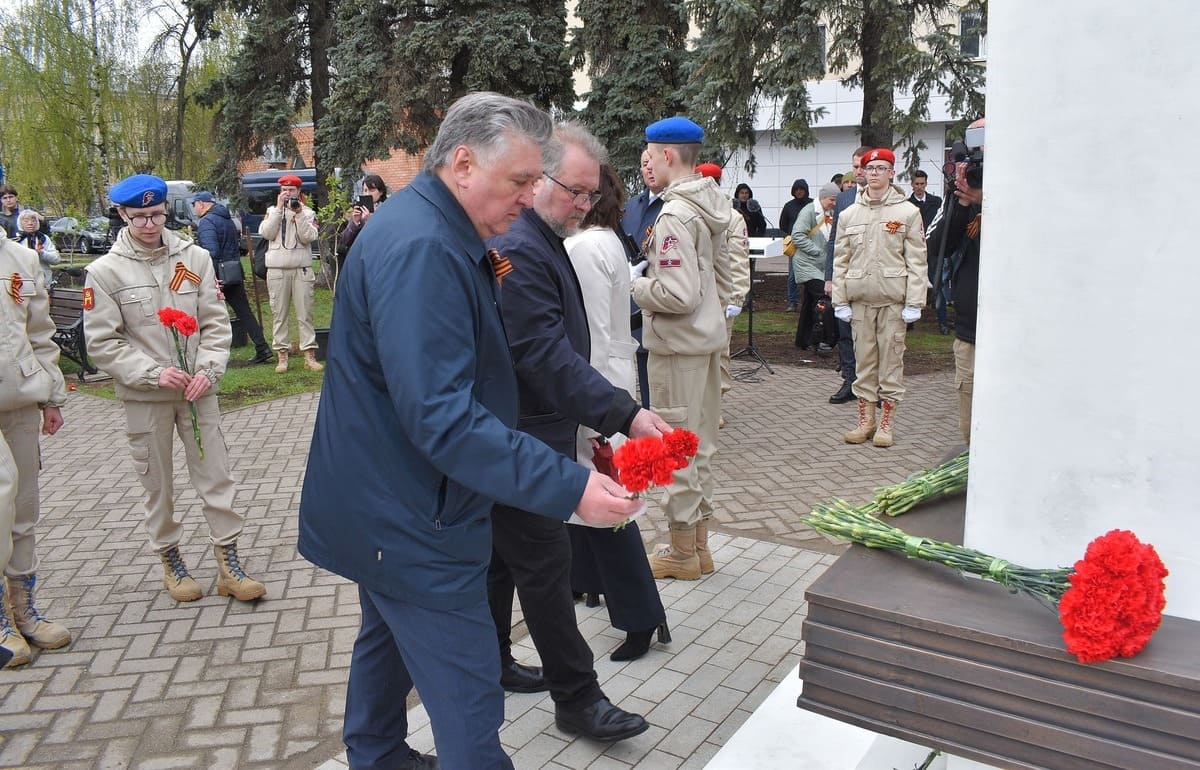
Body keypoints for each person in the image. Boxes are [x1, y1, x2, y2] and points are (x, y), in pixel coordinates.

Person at [296, 92, 643, 770]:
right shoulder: (425, 248)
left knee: (386, 641)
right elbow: (443, 415)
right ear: (462, 164)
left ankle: (377, 754)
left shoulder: (433, 226)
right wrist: (570, 486)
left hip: (391, 502)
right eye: (520, 180)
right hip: (413, 515)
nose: (530, 196)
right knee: (469, 696)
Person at [484, 124, 668, 742]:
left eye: (592, 194)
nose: (585, 205)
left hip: (531, 429)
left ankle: (494, 660)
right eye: (575, 191)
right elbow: (540, 354)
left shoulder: (543, 237)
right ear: (539, 178)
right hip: (522, 436)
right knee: (544, 561)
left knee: (499, 561)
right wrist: (624, 414)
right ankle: (578, 698)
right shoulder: (521, 244)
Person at [84, 174, 267, 604]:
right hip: (146, 396)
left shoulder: (195, 257)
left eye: (156, 214)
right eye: (139, 216)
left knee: (216, 475)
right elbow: (102, 343)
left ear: (166, 210)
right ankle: (171, 560)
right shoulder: (105, 272)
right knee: (157, 484)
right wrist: (152, 373)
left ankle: (229, 563)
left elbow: (215, 323)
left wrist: (208, 370)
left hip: (197, 391)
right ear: (122, 214)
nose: (149, 224)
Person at [565, 163, 671, 662]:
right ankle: (587, 580)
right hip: (603, 379)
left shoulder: (585, 247)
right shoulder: (604, 240)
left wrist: (586, 403)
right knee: (584, 497)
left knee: (608, 508)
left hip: (594, 386)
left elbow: (584, 330)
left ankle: (641, 616)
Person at [631, 116, 729, 580]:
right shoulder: (709, 202)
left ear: (667, 154)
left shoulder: (673, 214)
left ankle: (681, 551)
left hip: (676, 345)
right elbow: (716, 280)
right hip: (704, 341)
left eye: (651, 155)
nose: (648, 163)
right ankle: (700, 547)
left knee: (675, 448)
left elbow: (678, 294)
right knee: (700, 446)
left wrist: (635, 286)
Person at [0, 238, 70, 668]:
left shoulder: (21, 258)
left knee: (24, 507)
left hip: (20, 398)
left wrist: (52, 397)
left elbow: (40, 334)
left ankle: (23, 611)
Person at [831, 149, 928, 448]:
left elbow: (917, 260)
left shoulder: (907, 212)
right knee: (864, 364)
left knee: (891, 364)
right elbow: (840, 260)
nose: (873, 173)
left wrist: (915, 302)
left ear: (891, 173)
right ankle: (865, 421)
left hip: (892, 303)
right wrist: (840, 300)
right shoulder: (849, 214)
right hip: (860, 302)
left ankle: (886, 423)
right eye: (869, 168)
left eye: (880, 168)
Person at [926, 118, 985, 445]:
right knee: (971, 425)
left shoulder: (1030, 194)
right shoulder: (959, 196)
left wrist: (986, 199)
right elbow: (937, 246)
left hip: (1016, 336)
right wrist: (963, 201)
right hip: (970, 333)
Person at [693, 162, 750, 422]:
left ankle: (716, 404)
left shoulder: (731, 217)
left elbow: (738, 260)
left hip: (721, 296)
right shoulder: (691, 212)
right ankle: (698, 403)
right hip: (695, 296)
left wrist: (737, 296)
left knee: (720, 353)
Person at [192, 191, 274, 365]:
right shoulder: (227, 218)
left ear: (201, 203)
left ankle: (207, 353)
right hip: (233, 271)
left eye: (194, 205)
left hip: (217, 274)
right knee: (245, 312)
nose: (194, 209)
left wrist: (211, 278)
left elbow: (210, 252)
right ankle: (262, 347)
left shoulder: (207, 222)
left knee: (208, 314)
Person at [257, 174, 322, 373]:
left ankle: (309, 355)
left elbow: (308, 237)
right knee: (279, 314)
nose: (287, 194)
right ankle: (282, 356)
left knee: (305, 313)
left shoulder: (308, 213)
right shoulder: (272, 211)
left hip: (301, 269)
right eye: (284, 190)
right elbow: (266, 233)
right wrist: (279, 210)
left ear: (298, 192)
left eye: (291, 190)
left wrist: (298, 214)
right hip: (277, 270)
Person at [825, 147, 872, 404]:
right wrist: (829, 276)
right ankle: (850, 380)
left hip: (873, 278)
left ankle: (872, 384)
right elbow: (834, 240)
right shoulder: (844, 199)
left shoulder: (889, 198)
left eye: (862, 166)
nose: (858, 171)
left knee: (871, 335)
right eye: (855, 167)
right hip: (845, 276)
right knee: (844, 331)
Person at [620, 149, 663, 409]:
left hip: (661, 296)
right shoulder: (631, 206)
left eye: (652, 163)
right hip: (632, 297)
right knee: (638, 360)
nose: (648, 168)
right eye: (644, 164)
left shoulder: (674, 206)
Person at [792, 183, 840, 350]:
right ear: (823, 197)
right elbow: (797, 235)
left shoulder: (829, 212)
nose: (834, 203)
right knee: (823, 296)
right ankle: (823, 338)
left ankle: (804, 340)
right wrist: (817, 251)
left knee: (810, 301)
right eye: (832, 200)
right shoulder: (808, 212)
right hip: (807, 264)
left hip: (819, 264)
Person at [336, 174, 388, 270]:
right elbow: (345, 240)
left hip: (379, 260)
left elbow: (384, 238)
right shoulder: (356, 210)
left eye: (372, 190)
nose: (367, 194)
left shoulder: (386, 210)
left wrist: (369, 221)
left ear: (381, 192)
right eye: (365, 190)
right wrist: (355, 222)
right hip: (358, 260)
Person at [779, 179, 812, 312]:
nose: (799, 192)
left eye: (801, 189)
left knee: (811, 274)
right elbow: (782, 224)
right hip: (794, 245)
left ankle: (810, 301)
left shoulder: (812, 204)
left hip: (810, 243)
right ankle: (793, 302)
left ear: (806, 190)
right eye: (796, 189)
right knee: (793, 275)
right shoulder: (789, 206)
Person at [13, 209, 59, 285]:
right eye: (26, 221)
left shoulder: (44, 238)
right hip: (22, 282)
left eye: (33, 220)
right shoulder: (16, 240)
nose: (30, 223)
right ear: (20, 223)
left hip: (43, 281)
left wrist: (41, 253)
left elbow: (56, 260)